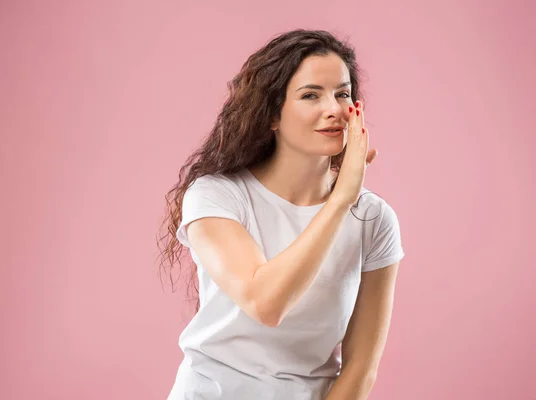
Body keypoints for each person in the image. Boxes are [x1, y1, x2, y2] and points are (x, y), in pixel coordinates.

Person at [157, 29, 405, 400]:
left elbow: (360, 369)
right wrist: (340, 202)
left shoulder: (374, 219)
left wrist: (347, 199)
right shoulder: (216, 195)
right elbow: (265, 302)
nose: (335, 109)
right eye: (310, 95)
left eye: (343, 94)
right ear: (272, 114)